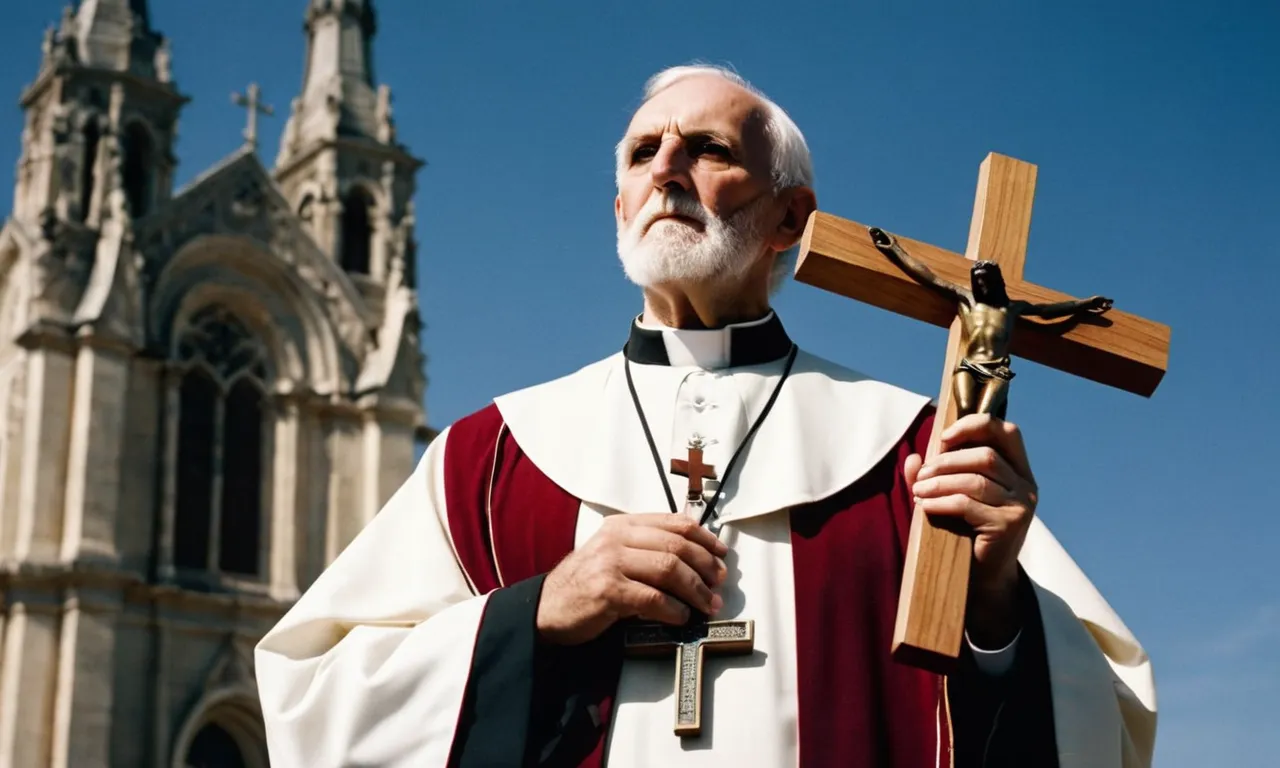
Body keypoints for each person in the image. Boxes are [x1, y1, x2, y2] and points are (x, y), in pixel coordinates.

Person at [254, 65, 1157, 768]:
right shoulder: (488, 460)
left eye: (710, 150)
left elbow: (1104, 715)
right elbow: (315, 698)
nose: (667, 170)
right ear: (618, 207)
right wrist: (535, 615)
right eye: (643, 153)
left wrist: (998, 609)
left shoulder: (915, 451)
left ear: (790, 218)